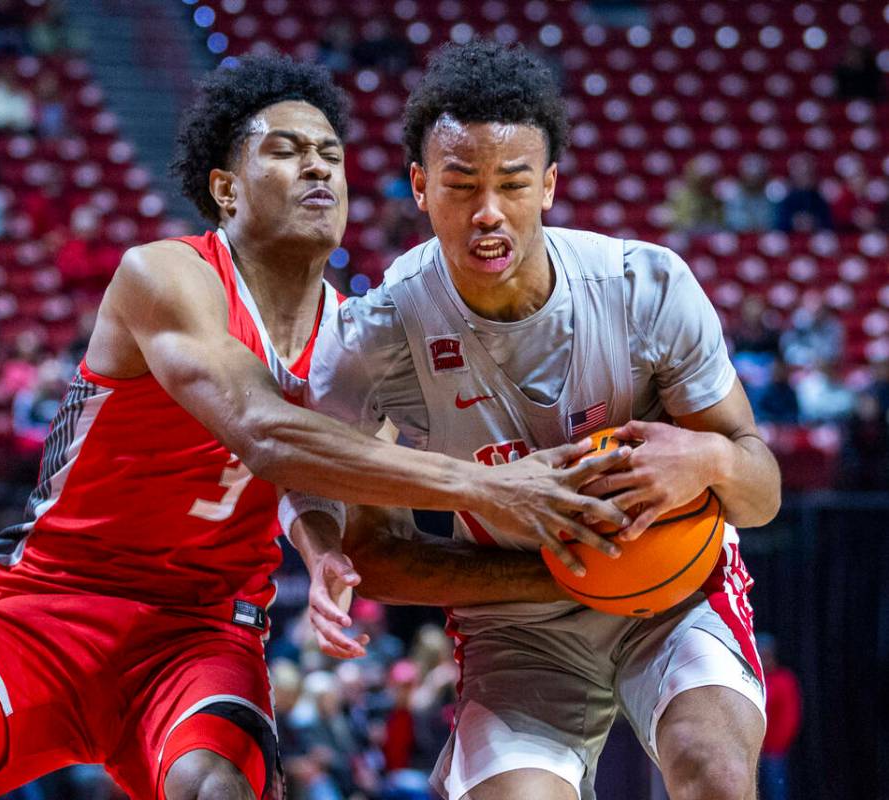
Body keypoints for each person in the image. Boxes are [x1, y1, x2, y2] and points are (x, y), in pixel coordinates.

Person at [0, 55, 629, 800]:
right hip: (49, 605)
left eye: (331, 153)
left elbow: (366, 532)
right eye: (285, 150)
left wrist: (586, 575)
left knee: (216, 788)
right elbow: (264, 431)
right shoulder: (167, 274)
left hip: (203, 632)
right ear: (225, 188)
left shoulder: (361, 342)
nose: (318, 166)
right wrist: (488, 486)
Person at [296, 41, 781, 800]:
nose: (487, 210)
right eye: (460, 184)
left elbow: (762, 492)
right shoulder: (377, 338)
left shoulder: (642, 286)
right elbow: (377, 556)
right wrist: (570, 569)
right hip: (513, 625)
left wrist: (712, 462)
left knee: (713, 766)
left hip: (674, 598)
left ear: (548, 185)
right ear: (419, 188)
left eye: (513, 183)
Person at [756, 633, 801, 800]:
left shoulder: (784, 680)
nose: (763, 657)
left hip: (773, 752)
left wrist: (774, 744)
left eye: (765, 653)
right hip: (751, 751)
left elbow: (789, 718)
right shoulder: (750, 679)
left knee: (775, 793)